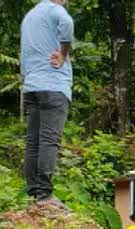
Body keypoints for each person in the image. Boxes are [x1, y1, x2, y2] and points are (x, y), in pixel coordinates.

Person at [20, 0, 74, 208]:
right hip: (53, 85)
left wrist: (27, 76)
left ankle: (34, 193)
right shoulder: (56, 11)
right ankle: (44, 196)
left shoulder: (30, 16)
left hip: (32, 86)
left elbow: (24, 53)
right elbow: (67, 23)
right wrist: (63, 53)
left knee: (33, 142)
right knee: (49, 141)